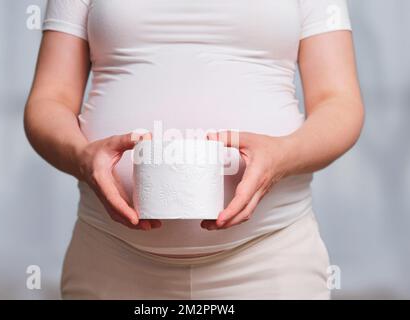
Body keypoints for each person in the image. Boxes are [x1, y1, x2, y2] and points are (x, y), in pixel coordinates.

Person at [24, 0, 364, 299]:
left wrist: (282, 155)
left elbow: (339, 103)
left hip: (269, 258)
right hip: (110, 258)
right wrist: (83, 158)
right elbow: (49, 100)